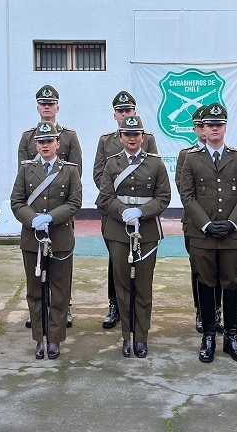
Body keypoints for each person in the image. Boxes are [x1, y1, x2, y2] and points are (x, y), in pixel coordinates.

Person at [180, 103, 237, 364]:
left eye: (218, 124)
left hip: (233, 235)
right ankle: (209, 336)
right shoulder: (192, 159)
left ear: (225, 127)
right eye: (210, 125)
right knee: (206, 284)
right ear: (203, 128)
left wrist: (232, 223)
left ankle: (232, 337)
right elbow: (187, 196)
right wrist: (206, 225)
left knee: (231, 284)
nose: (214, 129)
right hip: (204, 235)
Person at [97, 115, 171, 358]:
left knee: (143, 286)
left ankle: (142, 336)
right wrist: (123, 212)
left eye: (136, 134)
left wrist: (141, 211)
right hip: (119, 231)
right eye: (127, 134)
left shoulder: (155, 164)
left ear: (143, 137)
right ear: (120, 137)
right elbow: (106, 197)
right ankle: (126, 336)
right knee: (122, 286)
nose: (132, 138)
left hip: (147, 231)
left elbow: (163, 197)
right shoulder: (111, 164)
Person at [11, 121, 82, 360]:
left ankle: (55, 339)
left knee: (60, 292)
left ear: (57, 144)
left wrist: (50, 217)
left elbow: (74, 203)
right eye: (41, 142)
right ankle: (39, 338)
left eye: (49, 141)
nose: (45, 145)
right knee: (35, 291)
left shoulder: (70, 170)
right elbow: (17, 202)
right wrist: (33, 220)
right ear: (36, 144)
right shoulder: (25, 169)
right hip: (32, 238)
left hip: (60, 237)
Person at [93, 91, 158, 330]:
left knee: (140, 262)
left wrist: (139, 208)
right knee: (117, 258)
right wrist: (119, 205)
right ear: (114, 115)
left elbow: (152, 172)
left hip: (142, 212)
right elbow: (99, 174)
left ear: (134, 113)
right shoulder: (105, 141)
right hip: (113, 211)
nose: (124, 114)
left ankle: (138, 312)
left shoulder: (147, 138)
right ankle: (115, 305)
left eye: (128, 111)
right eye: (120, 111)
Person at [19, 84, 82, 328]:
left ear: (57, 107)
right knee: (35, 261)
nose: (47, 107)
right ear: (37, 108)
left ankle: (63, 307)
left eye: (51, 104)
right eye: (43, 104)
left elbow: (76, 170)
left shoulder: (69, 136)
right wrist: (31, 215)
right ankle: (37, 309)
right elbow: (21, 176)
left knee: (61, 262)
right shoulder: (27, 137)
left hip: (61, 210)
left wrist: (60, 211)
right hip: (33, 212)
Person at [176, 106, 223, 334]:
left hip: (221, 223)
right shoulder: (187, 155)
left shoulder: (228, 154)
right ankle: (201, 310)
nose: (204, 131)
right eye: (199, 126)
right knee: (199, 269)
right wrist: (204, 219)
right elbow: (184, 190)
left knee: (223, 271)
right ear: (197, 129)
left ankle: (217, 310)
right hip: (195, 223)